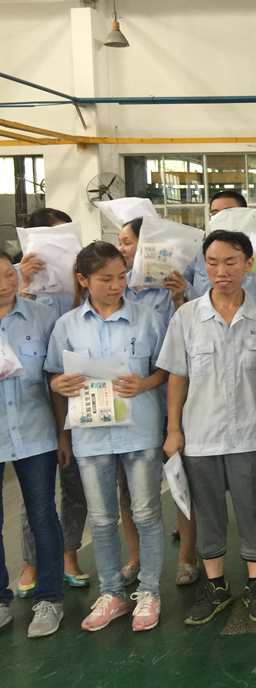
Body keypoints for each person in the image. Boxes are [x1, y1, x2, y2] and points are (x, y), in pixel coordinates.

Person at [157, 230, 256, 626]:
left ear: (248, 264)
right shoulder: (187, 317)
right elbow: (177, 376)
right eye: (212, 263)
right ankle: (215, 585)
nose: (221, 271)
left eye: (230, 262)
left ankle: (255, 584)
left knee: (254, 510)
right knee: (208, 513)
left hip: (253, 432)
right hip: (201, 435)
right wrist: (173, 430)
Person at [46, 242, 168, 632]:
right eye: (106, 279)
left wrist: (144, 383)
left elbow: (165, 371)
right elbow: (53, 375)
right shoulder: (67, 326)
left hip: (139, 431)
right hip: (91, 436)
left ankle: (149, 591)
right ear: (83, 280)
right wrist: (59, 384)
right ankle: (112, 592)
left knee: (146, 513)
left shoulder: (147, 319)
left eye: (121, 277)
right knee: (101, 519)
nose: (116, 286)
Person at [116, 216, 196, 587]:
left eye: (128, 242)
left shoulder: (173, 287)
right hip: (129, 405)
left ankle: (187, 558)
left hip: (173, 401)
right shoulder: (119, 291)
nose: (123, 249)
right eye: (121, 243)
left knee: (181, 480)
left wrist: (180, 296)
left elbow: (186, 340)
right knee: (130, 490)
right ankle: (135, 557)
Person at [15, 207, 89, 596]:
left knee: (73, 478)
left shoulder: (80, 280)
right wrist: (22, 282)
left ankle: (69, 554)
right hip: (27, 399)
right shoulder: (13, 279)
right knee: (35, 487)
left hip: (72, 390)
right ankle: (32, 561)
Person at [0, 250, 66, 639]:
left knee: (42, 515)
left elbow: (54, 379)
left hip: (35, 431)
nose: (4, 283)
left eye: (8, 274)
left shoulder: (41, 317)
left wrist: (62, 434)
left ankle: (49, 597)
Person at [183, 189, 256, 300]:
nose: (219, 218)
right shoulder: (199, 251)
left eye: (226, 213)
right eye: (215, 213)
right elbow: (183, 285)